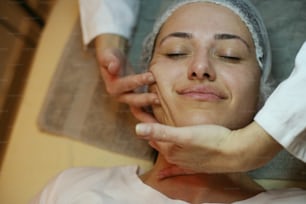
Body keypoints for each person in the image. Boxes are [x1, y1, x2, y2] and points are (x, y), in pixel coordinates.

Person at [33, 1, 306, 203]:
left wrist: (255, 144)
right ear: (146, 81)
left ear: (266, 95)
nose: (200, 67)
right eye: (176, 53)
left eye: (230, 55)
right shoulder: (69, 190)